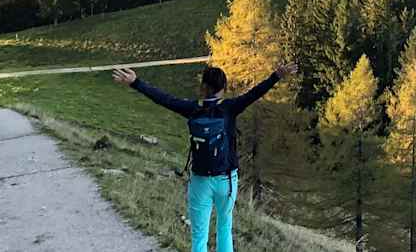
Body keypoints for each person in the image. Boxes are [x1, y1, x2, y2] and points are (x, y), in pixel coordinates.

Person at [112, 61, 296, 252]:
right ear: (224, 88)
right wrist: (276, 76)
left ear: (203, 87)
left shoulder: (192, 108)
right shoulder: (230, 108)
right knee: (225, 228)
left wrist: (136, 82)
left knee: (199, 236)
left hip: (200, 180)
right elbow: (255, 93)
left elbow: (164, 99)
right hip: (226, 180)